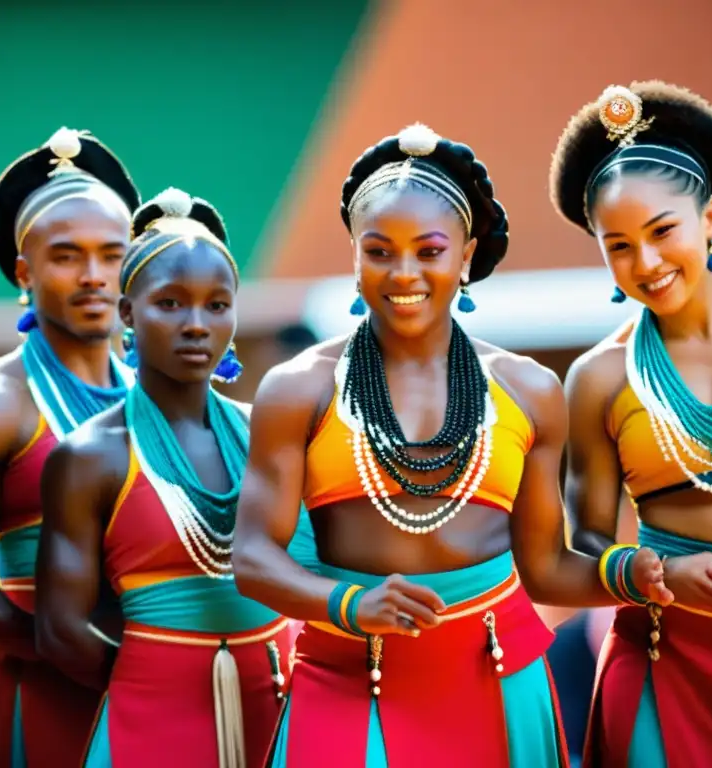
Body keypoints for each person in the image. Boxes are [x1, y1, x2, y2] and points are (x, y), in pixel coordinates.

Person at [231, 123, 669, 768]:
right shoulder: (299, 389)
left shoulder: (527, 390)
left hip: (496, 679)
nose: (403, 272)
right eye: (379, 251)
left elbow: (545, 567)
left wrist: (625, 573)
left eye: (429, 251)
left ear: (466, 257)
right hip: (349, 677)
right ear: (355, 256)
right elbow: (253, 557)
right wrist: (348, 604)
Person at [36, 188, 291, 768]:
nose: (197, 325)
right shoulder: (90, 456)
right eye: (171, 304)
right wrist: (155, 676)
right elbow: (61, 630)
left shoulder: (267, 436)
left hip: (278, 708)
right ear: (127, 313)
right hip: (150, 727)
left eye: (216, 305)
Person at [0, 127, 139, 767]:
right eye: (67, 256)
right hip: (35, 683)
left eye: (112, 253)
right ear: (25, 270)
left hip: (152, 672)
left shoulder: (161, 395)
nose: (95, 276)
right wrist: (68, 651)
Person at [552, 81, 712, 768]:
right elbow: (580, 543)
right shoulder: (600, 378)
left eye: (662, 232)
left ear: (711, 217)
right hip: (661, 659)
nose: (645, 263)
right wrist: (654, 572)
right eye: (617, 245)